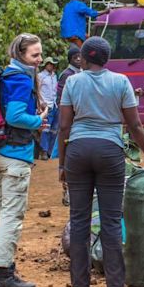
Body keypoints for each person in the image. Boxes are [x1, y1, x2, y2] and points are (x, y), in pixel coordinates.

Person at [57, 37, 144, 287]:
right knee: (111, 220)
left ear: (82, 57)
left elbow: (63, 127)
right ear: (107, 59)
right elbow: (136, 125)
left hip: (78, 152)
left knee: (79, 220)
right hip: (109, 151)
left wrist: (62, 164)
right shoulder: (120, 81)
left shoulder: (72, 82)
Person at [0, 33, 49, 287]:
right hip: (15, 155)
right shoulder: (19, 78)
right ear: (20, 54)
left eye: (39, 54)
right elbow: (16, 116)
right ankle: (5, 274)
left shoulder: (5, 75)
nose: (39, 60)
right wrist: (39, 121)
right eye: (34, 55)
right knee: (11, 214)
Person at [54, 45, 82, 206]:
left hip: (76, 120)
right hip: (69, 121)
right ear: (70, 59)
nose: (78, 59)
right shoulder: (67, 75)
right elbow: (62, 100)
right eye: (76, 56)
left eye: (80, 56)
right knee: (68, 155)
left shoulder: (81, 74)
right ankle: (67, 193)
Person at [38, 57, 59, 160]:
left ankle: (51, 151)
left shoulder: (54, 76)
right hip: (46, 106)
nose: (51, 66)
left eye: (52, 64)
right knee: (45, 128)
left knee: (54, 129)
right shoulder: (40, 76)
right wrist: (41, 103)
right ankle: (44, 151)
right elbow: (37, 90)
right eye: (49, 64)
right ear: (45, 65)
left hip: (55, 105)